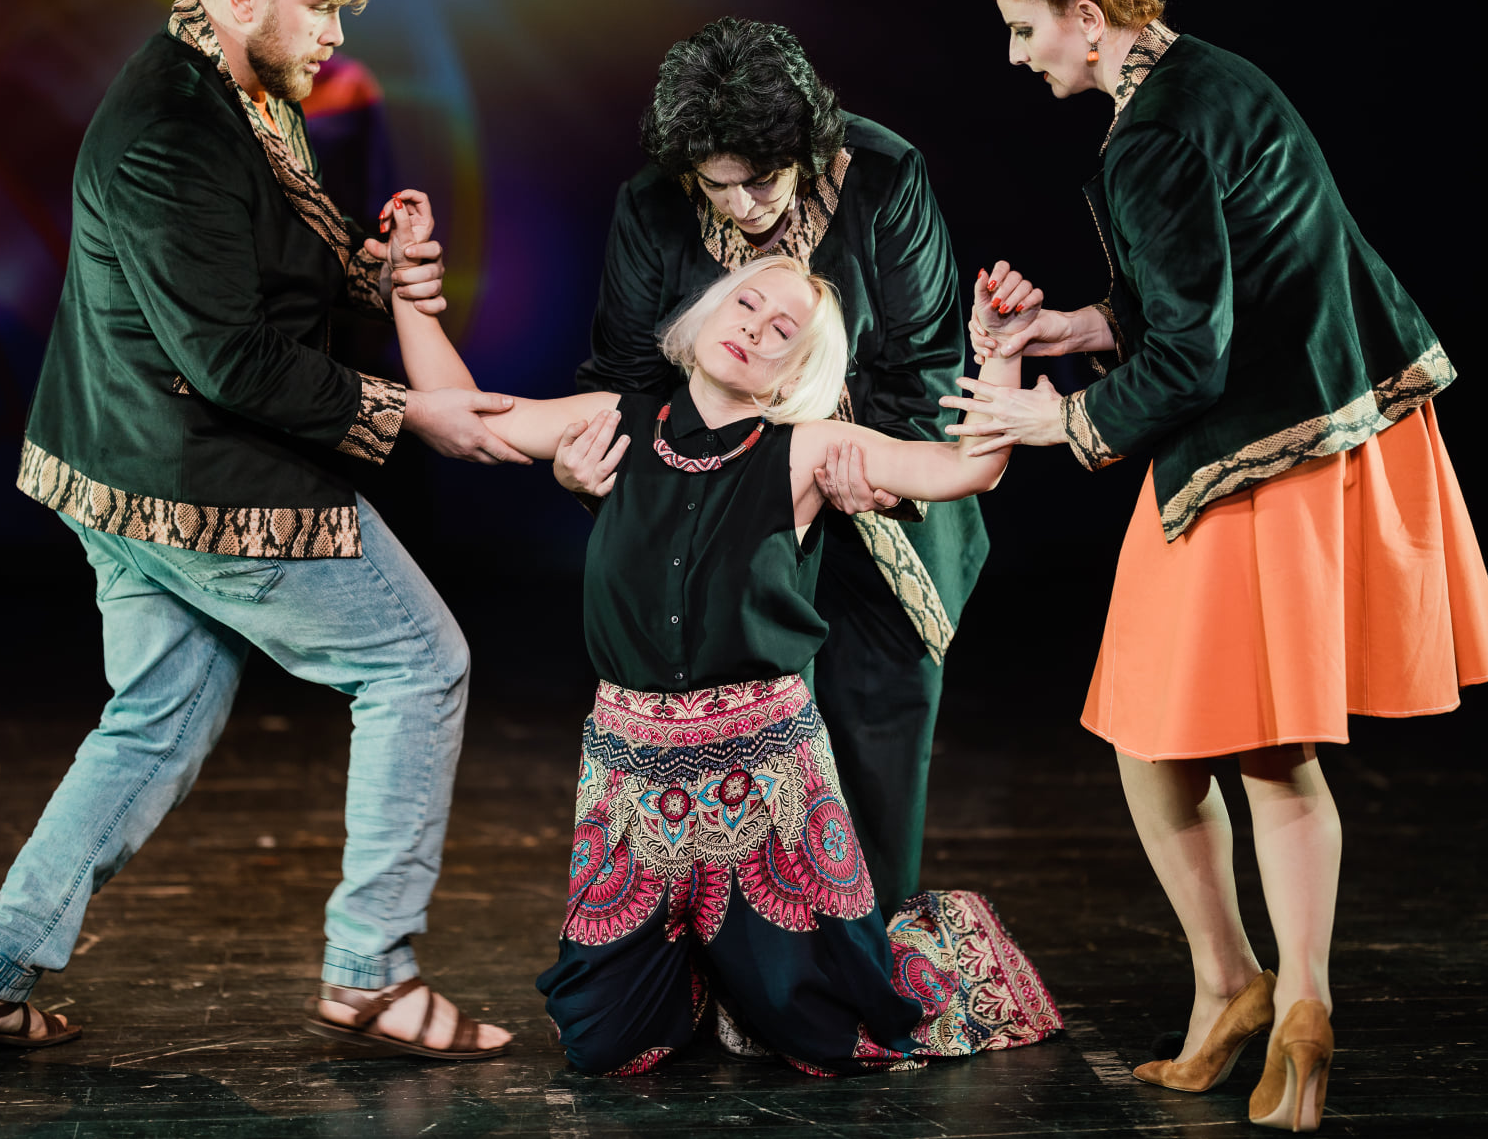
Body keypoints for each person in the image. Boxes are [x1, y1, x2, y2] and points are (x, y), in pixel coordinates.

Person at [944, 0, 1488, 1132]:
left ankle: (1235, 985)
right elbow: (1213, 283)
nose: (1016, 57)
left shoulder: (1148, 135)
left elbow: (1191, 361)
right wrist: (1069, 325)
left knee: (1165, 734)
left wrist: (1054, 419)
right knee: (1260, 744)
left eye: (1024, 30)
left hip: (1253, 452)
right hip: (1326, 422)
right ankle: (1288, 1002)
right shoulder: (1211, 74)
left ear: (1083, 16)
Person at [0, 0, 519, 1061]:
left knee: (156, 716)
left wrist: (374, 268)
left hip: (126, 464)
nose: (335, 34)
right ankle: (370, 969)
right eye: (320, 6)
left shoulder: (228, 83)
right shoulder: (168, 130)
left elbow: (257, 253)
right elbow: (230, 357)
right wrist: (412, 414)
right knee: (417, 662)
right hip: (185, 476)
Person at [386, 237, 1061, 1075]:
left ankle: (820, 966)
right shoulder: (614, 420)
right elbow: (467, 416)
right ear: (707, 314)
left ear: (793, 375)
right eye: (746, 304)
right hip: (634, 778)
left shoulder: (805, 446)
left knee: (826, 1032)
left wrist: (999, 350)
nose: (755, 328)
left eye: (784, 331)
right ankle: (707, 970)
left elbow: (968, 469)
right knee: (604, 1043)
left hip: (763, 780)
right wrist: (409, 297)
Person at [558, 18, 986, 922]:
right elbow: (625, 379)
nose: (742, 204)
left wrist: (858, 473)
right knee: (732, 755)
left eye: (761, 180)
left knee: (870, 735)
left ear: (806, 149)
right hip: (718, 516)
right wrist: (591, 469)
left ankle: (858, 957)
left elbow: (924, 368)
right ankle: (731, 959)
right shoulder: (653, 203)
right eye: (717, 186)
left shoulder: (883, 175)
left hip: (873, 506)